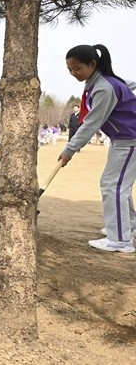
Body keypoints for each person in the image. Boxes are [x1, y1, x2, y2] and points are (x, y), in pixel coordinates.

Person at [59, 44, 136, 253]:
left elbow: (91, 123)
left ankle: (120, 239)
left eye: (77, 69)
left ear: (92, 64)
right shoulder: (97, 82)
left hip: (130, 139)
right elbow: (131, 84)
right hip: (122, 140)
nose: (74, 74)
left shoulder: (103, 87)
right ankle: (127, 226)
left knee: (113, 185)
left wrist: (69, 150)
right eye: (70, 70)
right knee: (117, 184)